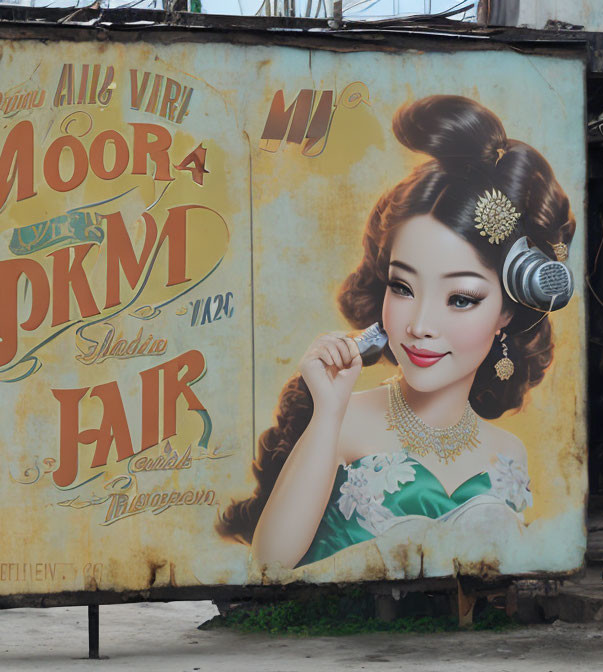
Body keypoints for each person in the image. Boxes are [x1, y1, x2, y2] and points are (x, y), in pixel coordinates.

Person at [217, 95, 576, 570]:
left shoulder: (509, 454)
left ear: (507, 312)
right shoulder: (343, 421)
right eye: (403, 287)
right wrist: (327, 412)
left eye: (461, 299)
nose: (420, 325)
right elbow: (268, 564)